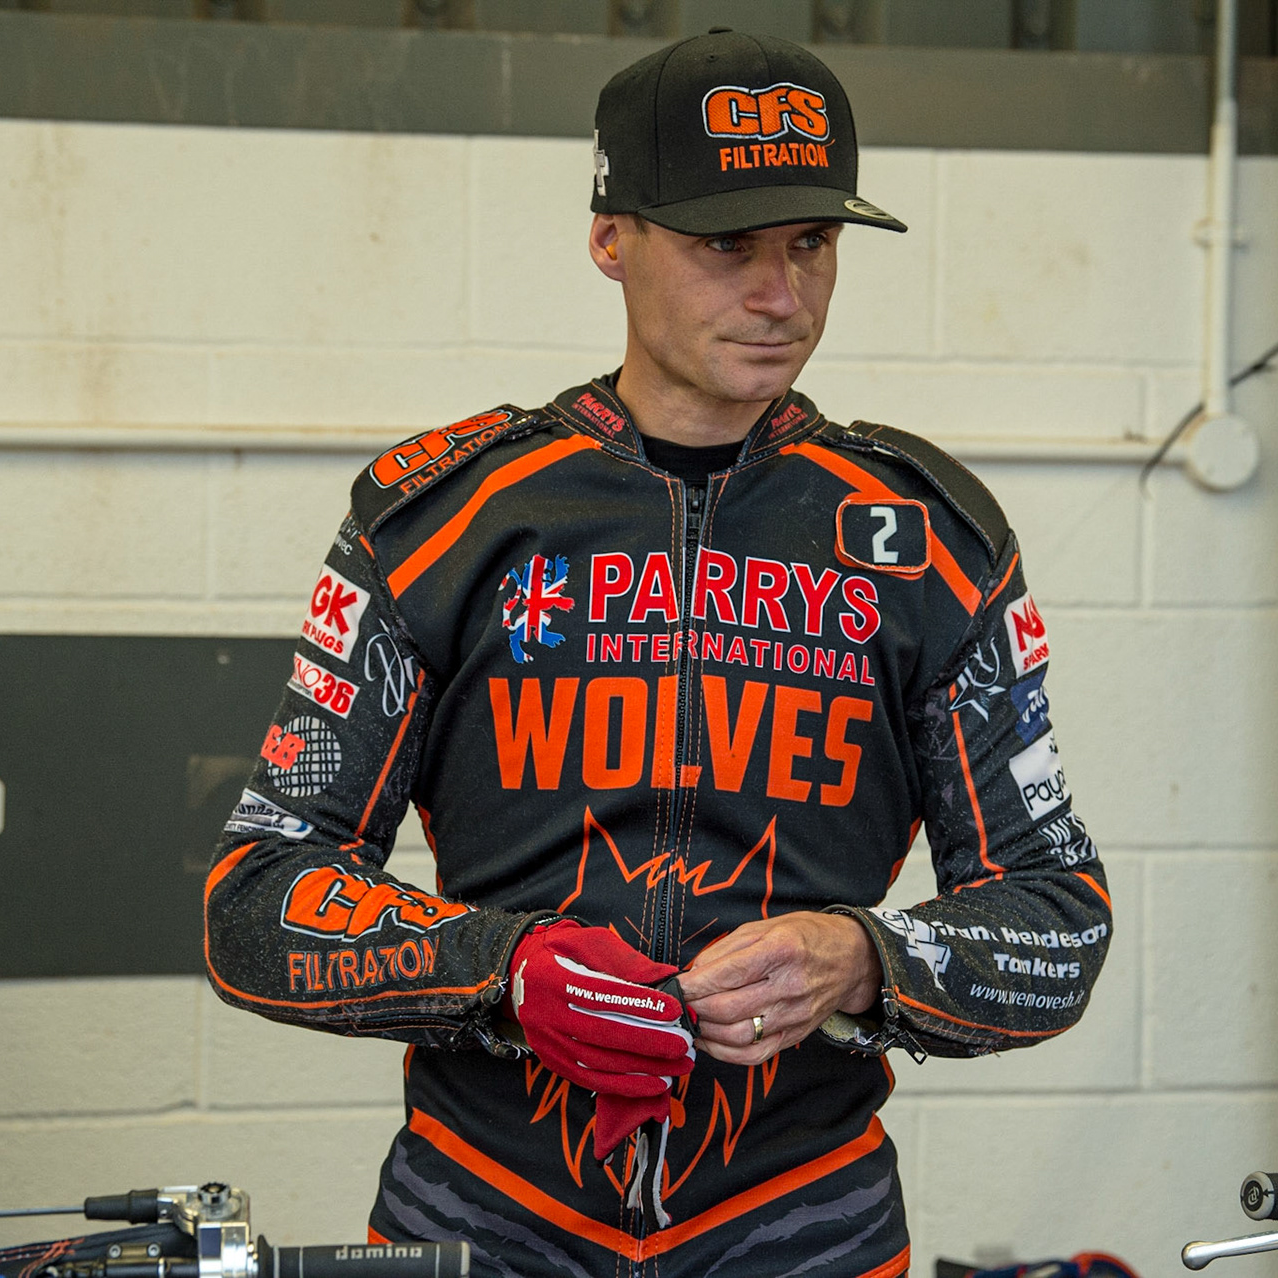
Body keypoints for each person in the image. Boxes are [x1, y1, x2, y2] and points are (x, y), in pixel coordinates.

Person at [203, 28, 1112, 1278]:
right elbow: (257, 899)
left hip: (806, 1224)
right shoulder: (440, 521)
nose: (779, 294)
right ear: (610, 235)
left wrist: (863, 958)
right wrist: (502, 970)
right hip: (484, 1216)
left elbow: (1060, 919)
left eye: (811, 243)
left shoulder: (933, 543)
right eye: (724, 243)